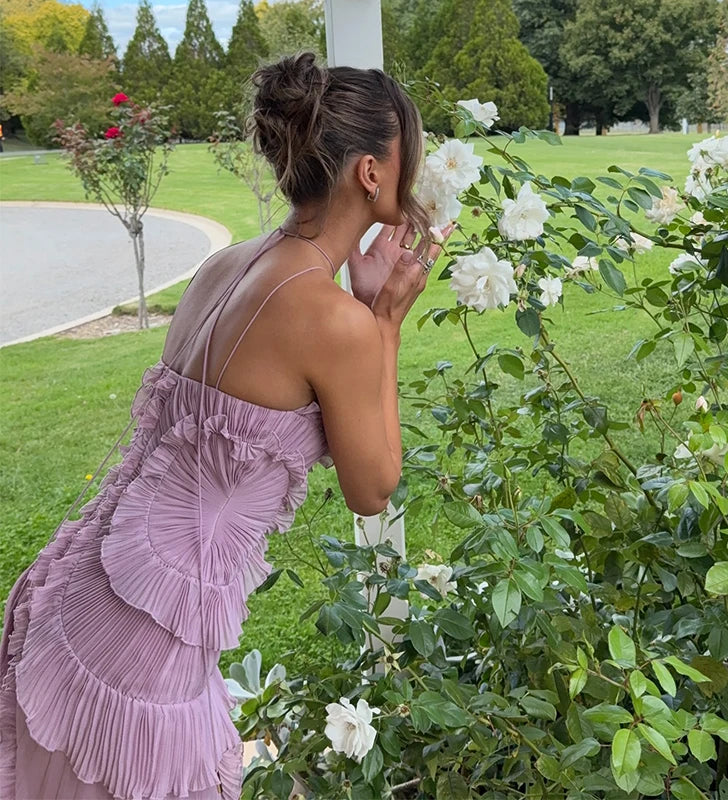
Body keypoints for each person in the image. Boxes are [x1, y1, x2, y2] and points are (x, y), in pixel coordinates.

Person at [0, 51, 454, 798]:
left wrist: (364, 315)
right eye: (411, 153)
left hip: (89, 588)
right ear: (371, 173)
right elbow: (374, 488)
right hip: (143, 638)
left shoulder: (231, 265)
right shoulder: (334, 319)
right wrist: (388, 322)